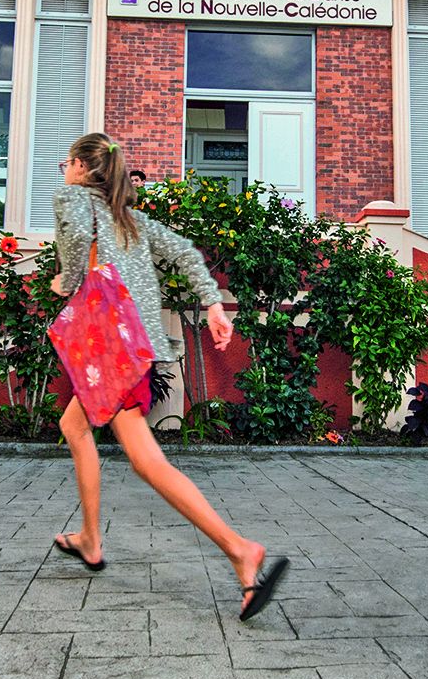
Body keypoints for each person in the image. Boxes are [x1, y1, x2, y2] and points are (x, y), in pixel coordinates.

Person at [50, 132, 288, 621]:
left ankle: (239, 549)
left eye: (66, 162)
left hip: (108, 346)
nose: (62, 170)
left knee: (145, 460)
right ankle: (91, 540)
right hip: (129, 343)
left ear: (79, 167)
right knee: (74, 427)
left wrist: (67, 280)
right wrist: (214, 304)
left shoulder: (73, 197)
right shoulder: (132, 220)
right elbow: (184, 252)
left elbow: (74, 240)